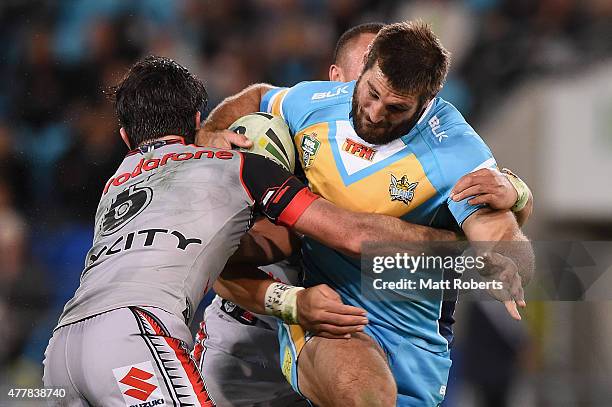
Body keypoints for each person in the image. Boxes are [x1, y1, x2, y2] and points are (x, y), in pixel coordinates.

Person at [42, 55, 474, 407]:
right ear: (197, 118)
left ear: (123, 136)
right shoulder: (238, 164)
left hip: (60, 349)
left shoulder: (119, 179)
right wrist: (466, 245)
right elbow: (354, 235)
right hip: (134, 335)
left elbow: (204, 250)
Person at [197, 21, 534, 407]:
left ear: (429, 100)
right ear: (366, 65)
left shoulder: (456, 151)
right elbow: (258, 97)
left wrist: (505, 254)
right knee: (366, 395)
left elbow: (496, 229)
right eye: (370, 92)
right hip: (329, 322)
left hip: (414, 346)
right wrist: (211, 131)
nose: (375, 113)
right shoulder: (315, 103)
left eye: (396, 108)